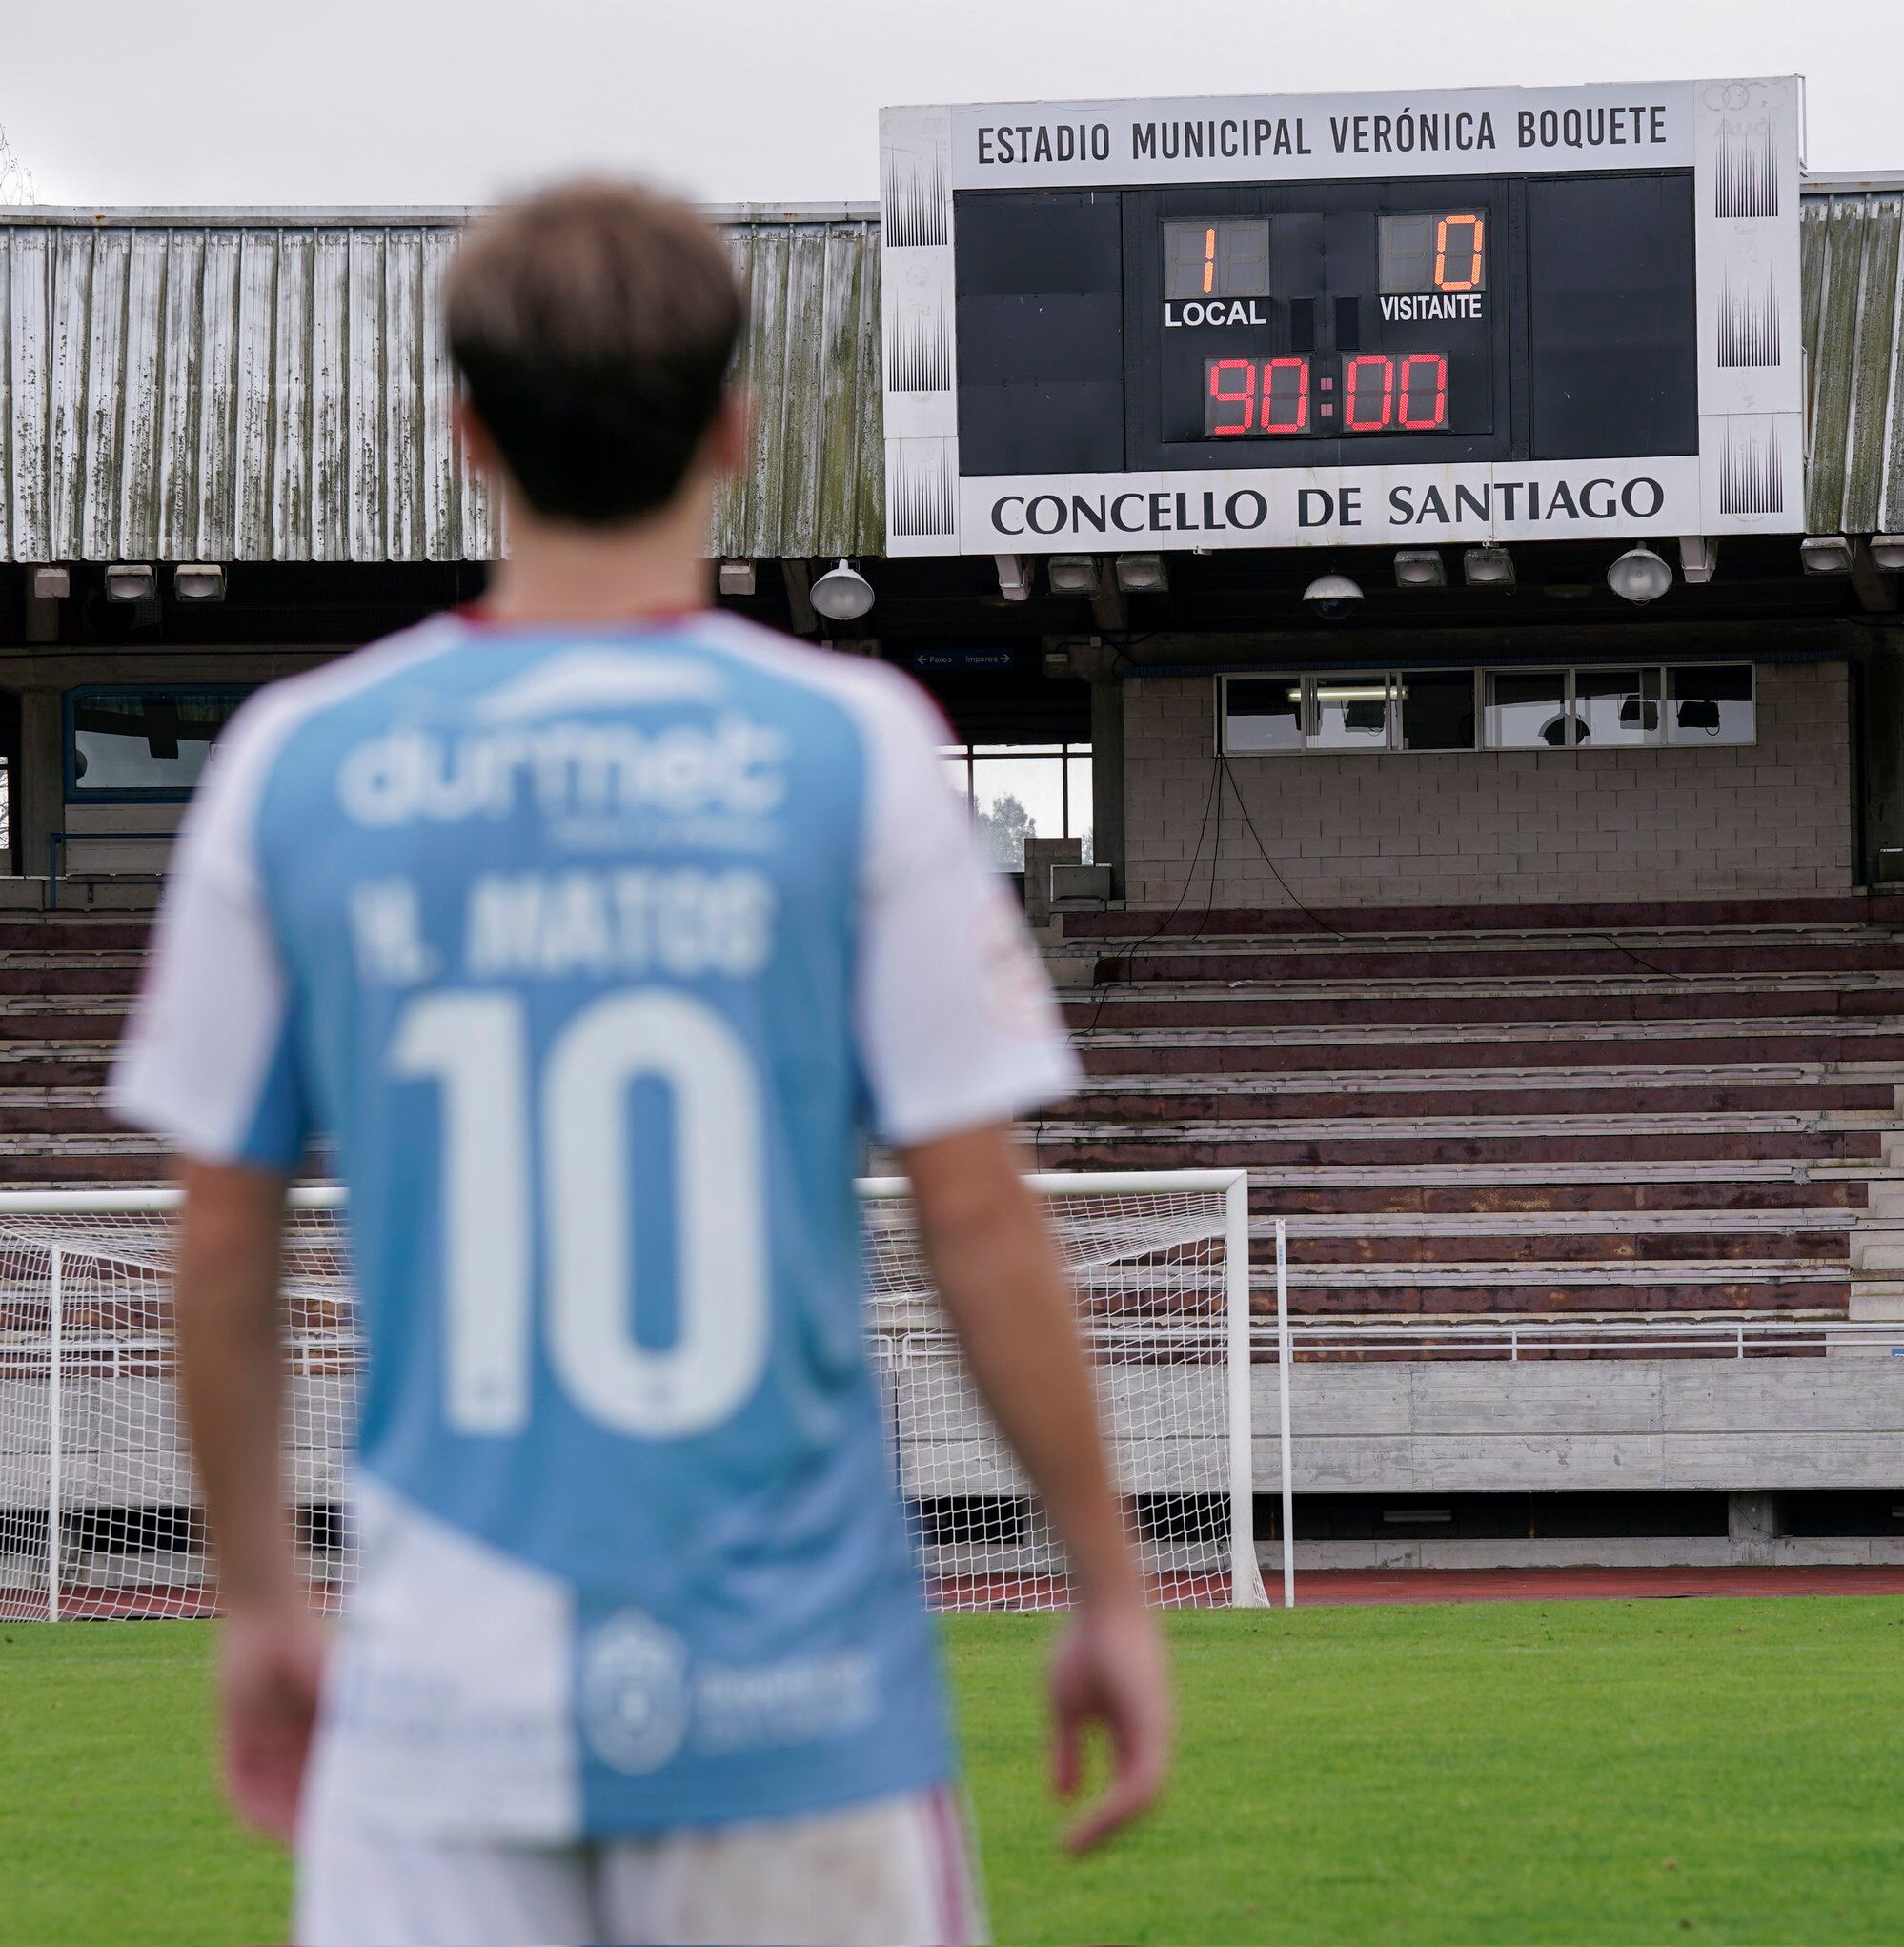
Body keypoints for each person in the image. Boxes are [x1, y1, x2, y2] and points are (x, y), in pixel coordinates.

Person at [111, 180, 1170, 1947]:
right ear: (734, 433)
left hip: (443, 1718)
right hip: (802, 1715)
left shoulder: (298, 765)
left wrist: (255, 1601)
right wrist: (1107, 1583)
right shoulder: (852, 749)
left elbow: (220, 1245)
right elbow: (976, 1219)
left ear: (466, 437)